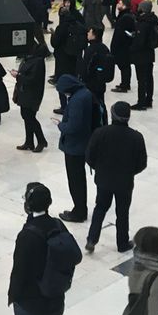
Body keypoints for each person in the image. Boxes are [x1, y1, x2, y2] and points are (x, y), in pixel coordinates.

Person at [8, 183, 66, 315]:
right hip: (55, 298)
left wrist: (12, 296)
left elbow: (19, 271)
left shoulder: (27, 235)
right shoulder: (58, 225)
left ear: (28, 205)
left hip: (31, 304)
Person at [85, 102, 146, 254]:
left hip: (103, 180)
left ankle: (92, 239)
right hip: (124, 182)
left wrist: (98, 167)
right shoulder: (136, 137)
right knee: (122, 212)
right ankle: (122, 243)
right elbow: (142, 163)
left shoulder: (100, 133)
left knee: (100, 208)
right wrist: (130, 172)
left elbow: (89, 156)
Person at [55, 75, 96, 223]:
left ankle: (79, 212)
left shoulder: (77, 101)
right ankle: (80, 208)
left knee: (75, 180)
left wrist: (60, 125)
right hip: (84, 142)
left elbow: (73, 126)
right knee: (79, 179)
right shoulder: (85, 93)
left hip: (75, 147)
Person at [13, 33, 49, 153]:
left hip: (32, 95)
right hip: (25, 93)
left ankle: (41, 140)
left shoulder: (38, 61)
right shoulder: (29, 58)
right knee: (26, 116)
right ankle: (29, 142)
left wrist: (18, 76)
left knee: (30, 117)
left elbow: (32, 79)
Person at [51, 0, 86, 113]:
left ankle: (64, 106)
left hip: (63, 58)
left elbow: (55, 43)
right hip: (75, 57)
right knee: (73, 81)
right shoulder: (78, 24)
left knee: (62, 82)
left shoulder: (62, 27)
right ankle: (73, 103)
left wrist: (53, 35)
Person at [130, 2, 158, 110]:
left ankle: (141, 102)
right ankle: (149, 100)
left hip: (141, 56)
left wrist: (131, 47)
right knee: (149, 77)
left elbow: (139, 42)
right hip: (150, 54)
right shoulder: (153, 20)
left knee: (141, 79)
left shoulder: (143, 23)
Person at [77, 25, 112, 110]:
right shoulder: (104, 48)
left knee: (92, 106)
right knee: (100, 103)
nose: (88, 33)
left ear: (94, 35)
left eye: (90, 32)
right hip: (101, 82)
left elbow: (86, 68)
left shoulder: (90, 50)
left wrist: (82, 79)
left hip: (91, 84)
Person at [110, 0, 135, 94]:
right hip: (123, 46)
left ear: (124, 6)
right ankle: (125, 83)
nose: (117, 4)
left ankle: (125, 85)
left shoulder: (125, 17)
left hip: (123, 46)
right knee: (124, 66)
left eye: (120, 3)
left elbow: (122, 33)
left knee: (124, 65)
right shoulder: (124, 16)